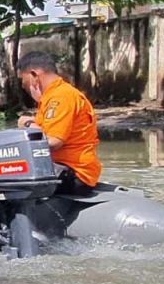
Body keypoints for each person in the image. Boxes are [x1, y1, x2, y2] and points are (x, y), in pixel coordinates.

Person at [16, 51, 102, 194]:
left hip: (73, 172)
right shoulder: (51, 97)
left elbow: (53, 142)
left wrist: (27, 125)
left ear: (34, 76)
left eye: (23, 82)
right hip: (60, 167)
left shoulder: (61, 96)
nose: (24, 87)